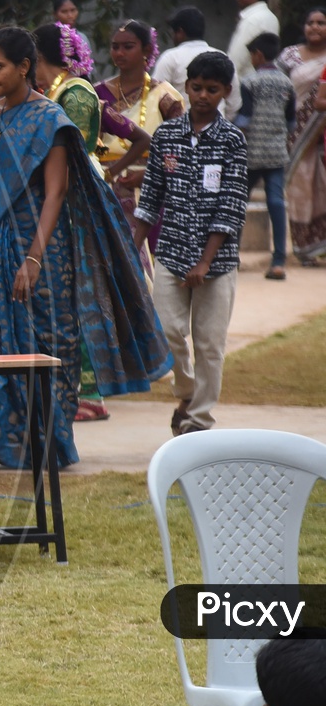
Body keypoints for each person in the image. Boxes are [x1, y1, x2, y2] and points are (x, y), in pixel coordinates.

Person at [0, 26, 169, 469]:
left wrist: (34, 258)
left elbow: (55, 194)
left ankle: (45, 441)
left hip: (41, 251)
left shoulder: (51, 122)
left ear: (24, 67)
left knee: (40, 344)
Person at [34, 20, 152, 423]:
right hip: (58, 202)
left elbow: (74, 158)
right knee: (61, 297)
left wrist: (111, 171)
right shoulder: (56, 91)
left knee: (79, 295)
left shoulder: (78, 94)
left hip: (74, 207)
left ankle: (88, 393)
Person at [132, 51, 248, 435]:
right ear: (187, 87)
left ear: (226, 92)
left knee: (210, 344)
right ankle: (185, 392)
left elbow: (231, 206)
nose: (202, 96)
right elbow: (150, 197)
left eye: (211, 90)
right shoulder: (167, 134)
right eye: (196, 88)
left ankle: (198, 420)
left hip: (217, 263)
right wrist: (134, 246)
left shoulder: (232, 139)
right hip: (169, 253)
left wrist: (205, 262)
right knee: (166, 331)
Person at [96, 20, 186, 238]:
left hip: (151, 191)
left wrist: (149, 174)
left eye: (128, 47)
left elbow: (180, 150)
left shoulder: (166, 96)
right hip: (105, 186)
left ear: (146, 49)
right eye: (115, 46)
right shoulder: (96, 93)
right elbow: (90, 142)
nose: (119, 53)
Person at [238, 32, 297, 279]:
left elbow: (244, 119)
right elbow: (291, 122)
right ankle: (278, 261)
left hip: (250, 153)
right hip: (275, 153)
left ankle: (231, 255)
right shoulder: (287, 83)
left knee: (237, 202)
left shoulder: (250, 82)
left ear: (257, 55)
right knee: (276, 202)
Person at [279, 6, 326, 266]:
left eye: (321, 23)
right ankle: (304, 248)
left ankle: (319, 244)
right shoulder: (290, 56)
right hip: (293, 134)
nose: (315, 27)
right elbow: (277, 89)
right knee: (299, 190)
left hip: (322, 137)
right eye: (311, 23)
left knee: (322, 188)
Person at [155, 7, 242, 116]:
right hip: (216, 127)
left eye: (212, 90)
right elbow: (234, 104)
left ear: (180, 32)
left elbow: (156, 97)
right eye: (196, 88)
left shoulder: (170, 58)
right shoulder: (222, 58)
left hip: (179, 129)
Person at [229, 0, 281, 83]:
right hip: (266, 81)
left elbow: (236, 59)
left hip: (246, 84)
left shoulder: (252, 19)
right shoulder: (271, 17)